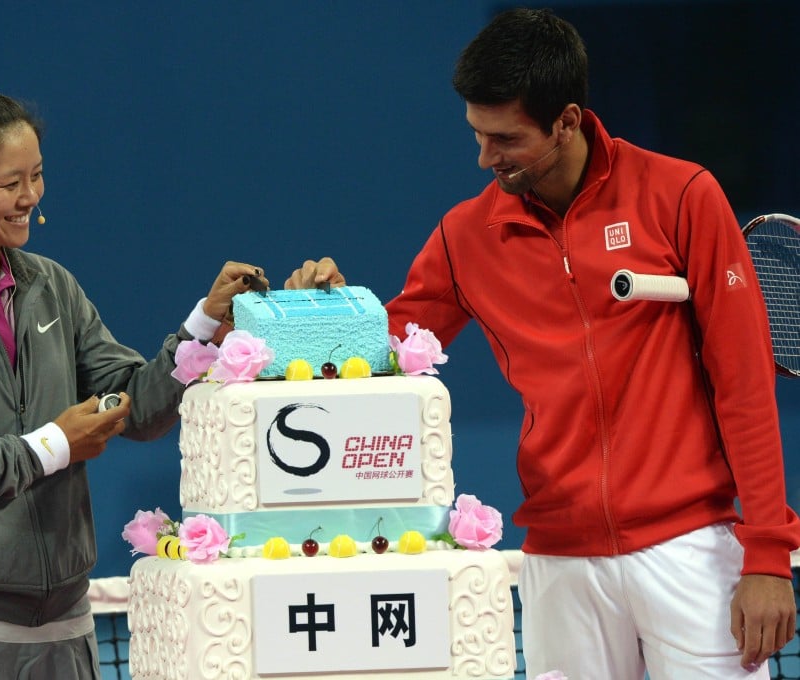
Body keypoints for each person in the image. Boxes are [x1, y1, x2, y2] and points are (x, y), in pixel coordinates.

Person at [287, 8, 798, 679]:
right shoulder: (465, 237)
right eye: (476, 134)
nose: (484, 157)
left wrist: (767, 554)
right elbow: (383, 351)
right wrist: (316, 313)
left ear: (568, 120)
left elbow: (743, 386)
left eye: (505, 139)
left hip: (690, 549)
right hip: (561, 562)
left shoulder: (681, 197)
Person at [0, 87, 265, 679]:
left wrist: (203, 326)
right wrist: (51, 446)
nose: (29, 198)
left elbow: (137, 408)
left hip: (65, 629)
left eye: (37, 177)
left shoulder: (53, 287)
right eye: (9, 183)